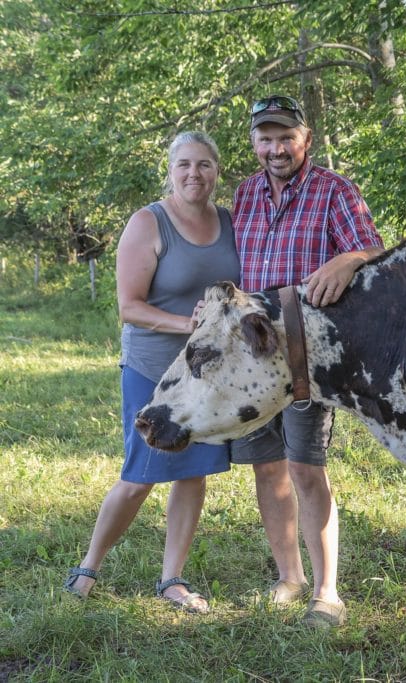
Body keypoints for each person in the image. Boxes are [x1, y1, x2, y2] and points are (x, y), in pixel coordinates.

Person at [63, 131, 241, 613]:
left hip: (205, 373)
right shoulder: (149, 222)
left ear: (216, 171)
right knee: (140, 473)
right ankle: (87, 567)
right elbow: (129, 307)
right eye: (184, 164)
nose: (194, 174)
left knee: (193, 472)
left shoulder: (229, 221)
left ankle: (172, 580)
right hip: (152, 367)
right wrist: (189, 324)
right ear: (170, 169)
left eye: (204, 165)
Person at [231, 95, 384, 627]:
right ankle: (288, 577)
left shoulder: (334, 191)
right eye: (265, 138)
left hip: (305, 358)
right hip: (251, 357)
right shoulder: (245, 195)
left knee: (305, 466)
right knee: (267, 468)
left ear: (306, 138)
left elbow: (375, 250)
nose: (275, 149)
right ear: (253, 142)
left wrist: (347, 258)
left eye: (285, 138)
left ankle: (327, 592)